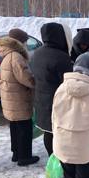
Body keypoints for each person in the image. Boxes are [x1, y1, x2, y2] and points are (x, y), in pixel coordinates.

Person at [0, 28, 39, 166]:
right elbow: (25, 78)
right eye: (25, 41)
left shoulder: (7, 54)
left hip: (10, 97)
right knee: (24, 128)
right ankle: (24, 157)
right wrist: (36, 82)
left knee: (15, 126)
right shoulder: (16, 57)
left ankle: (16, 153)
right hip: (19, 98)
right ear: (20, 42)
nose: (26, 44)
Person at [31, 23, 73, 156]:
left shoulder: (37, 53)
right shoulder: (62, 57)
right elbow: (68, 83)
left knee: (48, 131)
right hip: (58, 102)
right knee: (59, 132)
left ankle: (51, 157)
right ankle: (60, 159)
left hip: (41, 99)